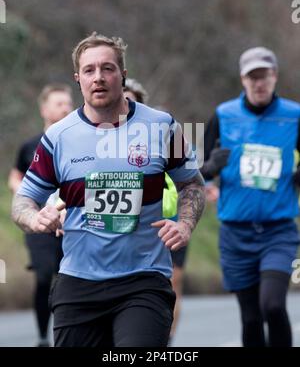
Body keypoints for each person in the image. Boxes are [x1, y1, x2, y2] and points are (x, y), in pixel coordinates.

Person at [12, 32, 206, 347]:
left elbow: (192, 184)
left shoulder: (161, 126)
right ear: (78, 78)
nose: (98, 77)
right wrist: (35, 219)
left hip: (143, 281)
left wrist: (185, 224)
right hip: (78, 282)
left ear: (122, 74)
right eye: (89, 70)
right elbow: (23, 201)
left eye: (107, 68)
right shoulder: (59, 137)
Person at [201, 46, 300, 347]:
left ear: (274, 77)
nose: (259, 84)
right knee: (251, 316)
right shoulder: (223, 115)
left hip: (278, 230)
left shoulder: (294, 116)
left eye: (264, 76)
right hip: (235, 233)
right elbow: (194, 173)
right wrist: (211, 167)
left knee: (272, 304)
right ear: (242, 79)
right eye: (252, 77)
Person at [8, 84, 73, 347]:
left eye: (68, 103)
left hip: (71, 222)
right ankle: (43, 336)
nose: (66, 108)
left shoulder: (80, 141)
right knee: (45, 274)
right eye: (59, 104)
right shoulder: (30, 146)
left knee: (67, 277)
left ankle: (66, 332)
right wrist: (23, 194)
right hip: (39, 220)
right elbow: (15, 175)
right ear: (44, 110)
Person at [123, 80, 187, 345]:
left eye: (131, 101)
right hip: (131, 229)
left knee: (174, 283)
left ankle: (165, 337)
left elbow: (190, 176)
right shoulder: (99, 140)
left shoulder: (160, 134)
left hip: (169, 223)